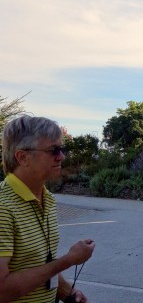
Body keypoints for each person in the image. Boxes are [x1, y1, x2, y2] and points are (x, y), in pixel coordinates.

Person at [0, 116, 95, 303]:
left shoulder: (48, 199)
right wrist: (68, 260)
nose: (62, 156)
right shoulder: (3, 207)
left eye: (62, 149)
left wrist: (68, 292)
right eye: (53, 150)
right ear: (23, 157)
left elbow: (41, 264)